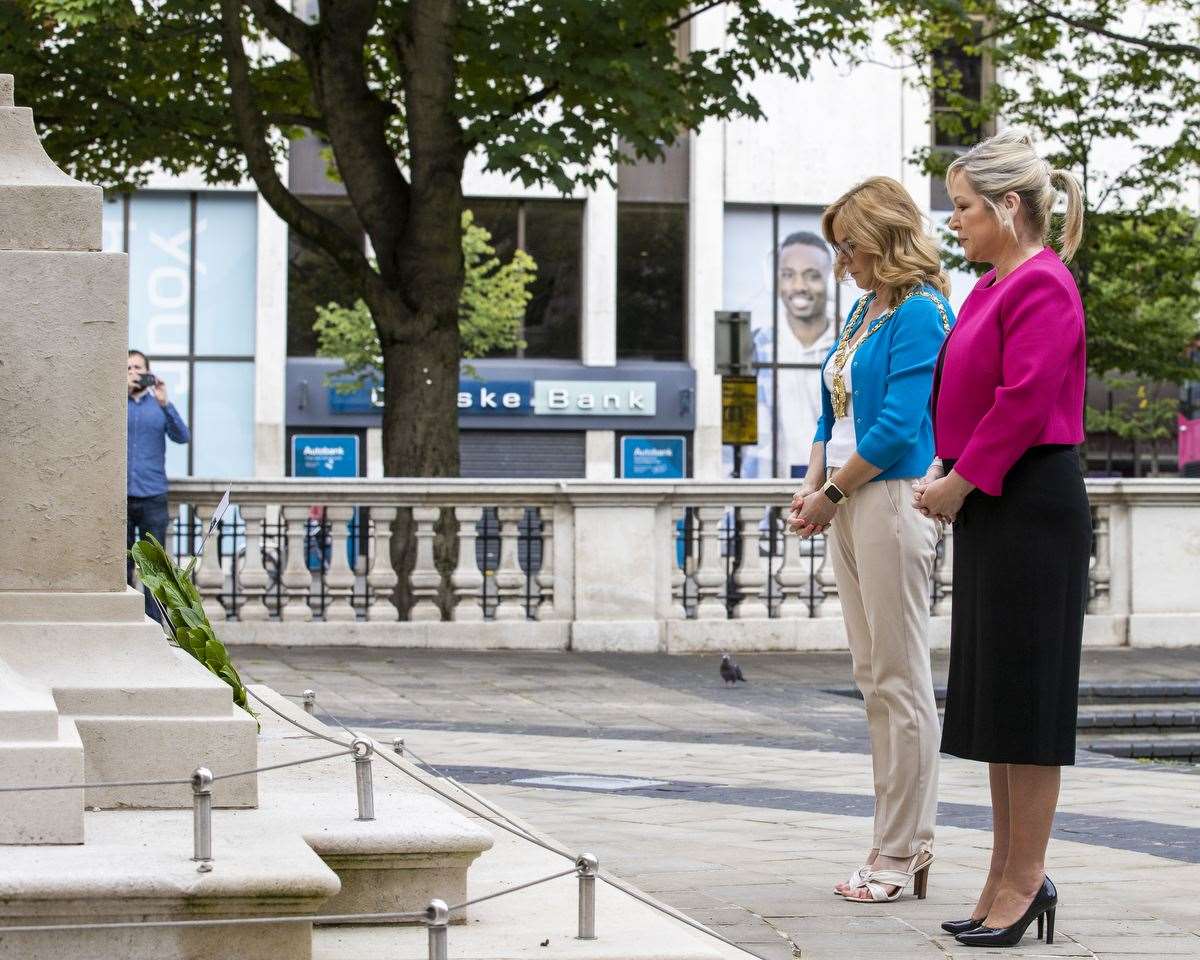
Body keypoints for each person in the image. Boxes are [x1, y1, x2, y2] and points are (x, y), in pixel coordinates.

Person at [913, 129, 1088, 948]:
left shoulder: (1044, 285)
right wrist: (949, 467)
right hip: (993, 500)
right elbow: (973, 390)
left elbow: (1024, 402)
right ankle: (1002, 875)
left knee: (1029, 699)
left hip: (1031, 502)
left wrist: (958, 479)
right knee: (995, 700)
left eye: (965, 208)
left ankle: (1025, 879)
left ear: (1008, 207)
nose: (956, 222)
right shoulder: (990, 285)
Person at [787, 177, 953, 903]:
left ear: (882, 237)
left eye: (847, 246)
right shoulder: (861, 314)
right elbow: (833, 411)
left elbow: (896, 427)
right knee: (871, 675)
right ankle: (892, 842)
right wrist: (813, 477)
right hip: (852, 496)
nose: (840, 261)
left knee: (900, 677)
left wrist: (830, 493)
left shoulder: (922, 312)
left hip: (889, 497)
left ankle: (902, 847)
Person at [744, 232, 839, 478]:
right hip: (767, 502)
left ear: (829, 281)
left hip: (832, 492)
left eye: (812, 276)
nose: (798, 287)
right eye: (788, 275)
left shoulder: (850, 345)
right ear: (775, 281)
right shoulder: (757, 347)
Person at [127, 349, 190, 620]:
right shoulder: (114, 405)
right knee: (122, 564)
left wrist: (165, 402)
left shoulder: (159, 404)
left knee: (154, 567)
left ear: (148, 373)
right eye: (127, 368)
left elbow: (182, 436)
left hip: (153, 496)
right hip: (121, 497)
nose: (133, 373)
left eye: (138, 368)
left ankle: (154, 623)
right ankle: (126, 620)